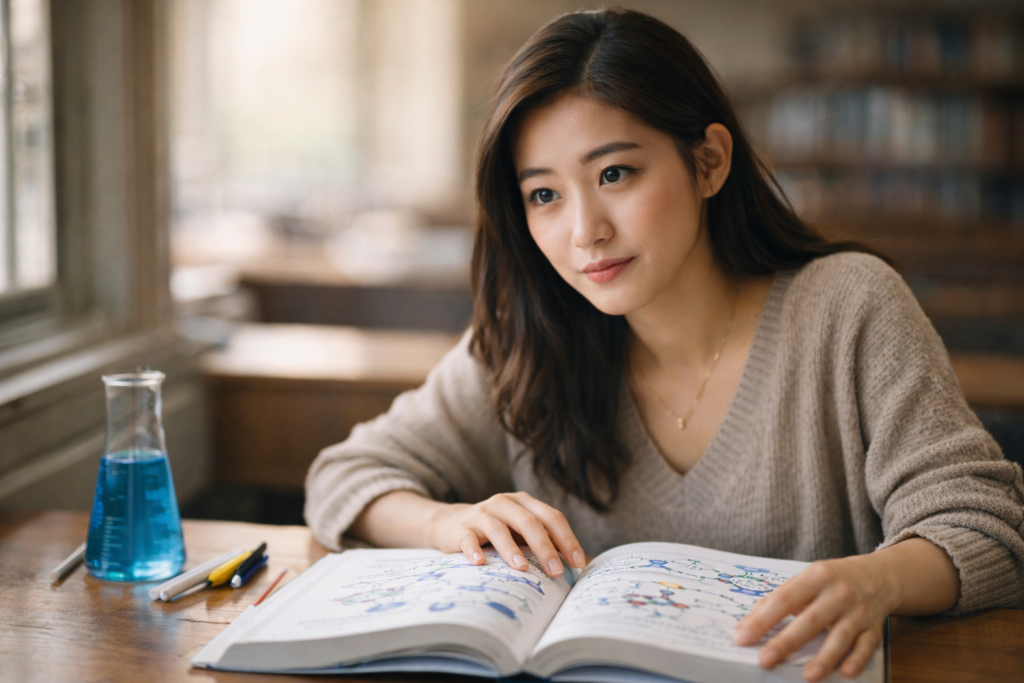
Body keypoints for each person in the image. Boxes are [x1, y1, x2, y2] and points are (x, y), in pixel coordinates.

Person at [305, 8, 1024, 682]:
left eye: (615, 174)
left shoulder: (847, 307)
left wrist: (879, 577)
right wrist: (447, 521)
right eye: (544, 195)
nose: (585, 230)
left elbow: (985, 527)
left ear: (709, 162)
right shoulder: (529, 339)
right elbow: (344, 475)